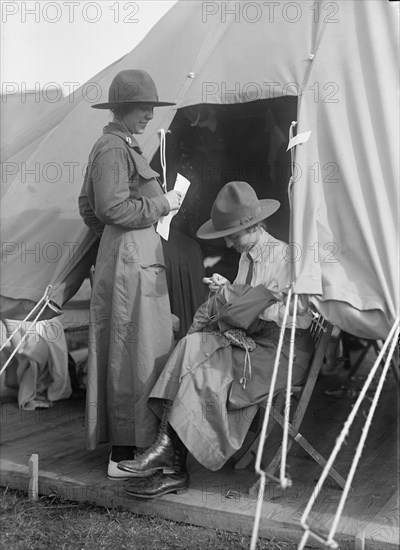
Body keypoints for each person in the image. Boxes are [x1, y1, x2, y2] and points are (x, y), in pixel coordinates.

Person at [117, 181, 315, 498]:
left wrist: (250, 303)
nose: (230, 242)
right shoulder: (247, 256)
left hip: (280, 351)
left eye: (235, 235)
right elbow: (241, 301)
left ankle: (172, 465)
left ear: (256, 225)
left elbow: (304, 315)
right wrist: (229, 293)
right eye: (228, 236)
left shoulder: (287, 256)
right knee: (188, 347)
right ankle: (167, 453)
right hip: (250, 341)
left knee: (201, 370)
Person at [78, 69, 182, 479]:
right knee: (128, 356)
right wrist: (163, 204)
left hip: (132, 262)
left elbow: (92, 209)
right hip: (129, 269)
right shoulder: (111, 148)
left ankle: (136, 448)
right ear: (123, 109)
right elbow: (106, 209)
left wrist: (119, 240)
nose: (148, 116)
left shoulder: (121, 146)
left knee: (136, 353)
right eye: (143, 108)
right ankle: (124, 456)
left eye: (151, 109)